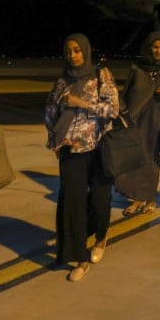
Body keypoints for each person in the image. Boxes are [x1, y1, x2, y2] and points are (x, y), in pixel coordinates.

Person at [44, 34, 119, 281]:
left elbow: (112, 110)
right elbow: (50, 113)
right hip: (70, 151)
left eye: (77, 50)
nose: (73, 55)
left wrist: (82, 103)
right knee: (72, 205)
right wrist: (54, 139)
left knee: (99, 202)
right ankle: (79, 258)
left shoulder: (101, 75)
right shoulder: (62, 81)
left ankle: (100, 237)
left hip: (98, 149)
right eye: (68, 51)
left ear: (85, 51)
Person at [116, 32, 160, 216]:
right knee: (135, 159)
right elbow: (126, 94)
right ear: (148, 48)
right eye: (155, 47)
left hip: (155, 121)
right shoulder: (137, 68)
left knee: (151, 160)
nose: (159, 51)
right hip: (136, 120)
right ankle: (137, 198)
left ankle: (149, 199)